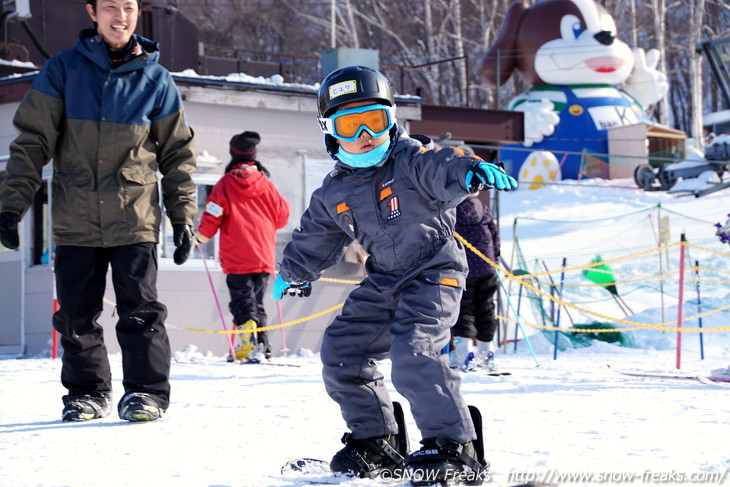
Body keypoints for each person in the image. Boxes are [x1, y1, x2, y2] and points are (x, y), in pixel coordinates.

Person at [272, 65, 517, 485]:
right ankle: (375, 441)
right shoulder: (332, 192)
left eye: (375, 121)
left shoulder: (411, 162)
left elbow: (445, 165)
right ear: (329, 130)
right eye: (350, 124)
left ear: (392, 121)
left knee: (414, 350)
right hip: (383, 279)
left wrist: (469, 170)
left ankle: (454, 446)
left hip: (434, 271)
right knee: (341, 350)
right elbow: (314, 237)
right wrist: (294, 270)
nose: (364, 134)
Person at [0, 0, 197, 423]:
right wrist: (12, 203)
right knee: (74, 315)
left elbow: (177, 155)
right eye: (110, 7)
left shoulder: (156, 79)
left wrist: (183, 217)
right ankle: (87, 394)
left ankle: (145, 394)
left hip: (136, 218)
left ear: (137, 13)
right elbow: (32, 142)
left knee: (141, 313)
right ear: (92, 12)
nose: (120, 16)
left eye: (127, 7)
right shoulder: (62, 71)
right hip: (75, 219)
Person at [195, 131, 290, 362]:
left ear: (232, 154)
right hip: (263, 254)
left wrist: (200, 238)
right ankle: (263, 346)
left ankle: (247, 342)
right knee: (257, 302)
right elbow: (282, 216)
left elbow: (212, 216)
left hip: (237, 254)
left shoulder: (225, 184)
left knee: (242, 300)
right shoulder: (266, 184)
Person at [450, 194, 501, 372]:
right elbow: (494, 233)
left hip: (462, 268)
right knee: (486, 308)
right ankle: (486, 353)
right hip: (487, 266)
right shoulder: (481, 206)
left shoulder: (450, 207)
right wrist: (495, 255)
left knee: (462, 309)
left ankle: (464, 353)